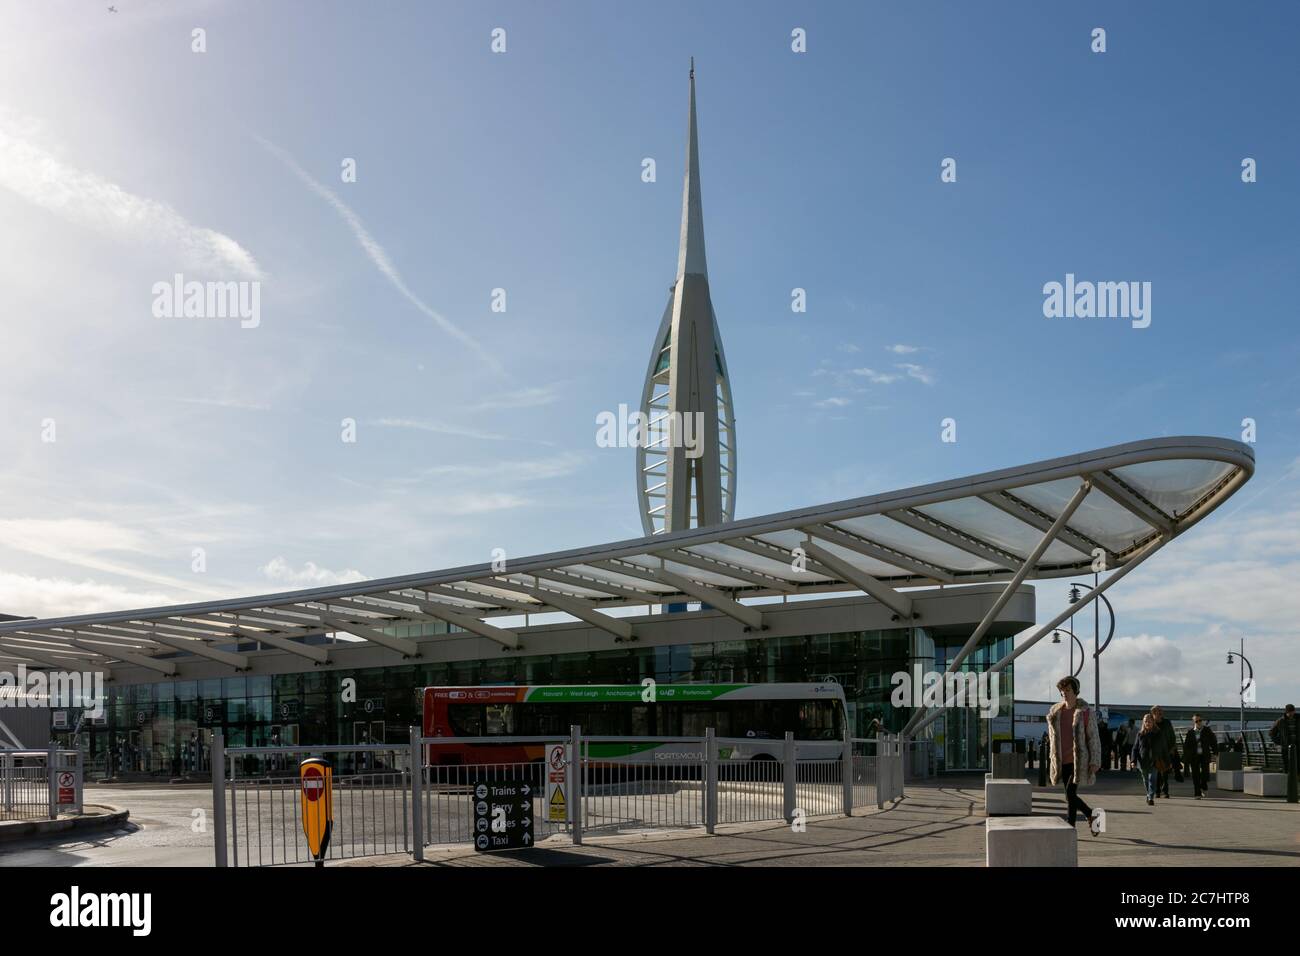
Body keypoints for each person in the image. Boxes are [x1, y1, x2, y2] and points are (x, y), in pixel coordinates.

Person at [1046, 676, 1103, 835]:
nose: (1065, 693)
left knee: (1070, 794)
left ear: (1075, 691)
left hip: (1078, 761)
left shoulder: (1085, 712)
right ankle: (1071, 829)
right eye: (1062, 691)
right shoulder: (1055, 712)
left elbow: (1093, 737)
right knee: (1070, 797)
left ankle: (1091, 815)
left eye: (1068, 690)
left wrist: (1095, 760)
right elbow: (1052, 739)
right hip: (1061, 760)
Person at [1132, 713, 1167, 806]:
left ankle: (1151, 797)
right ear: (1143, 723)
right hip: (1142, 761)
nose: (1147, 723)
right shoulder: (1140, 734)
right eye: (1146, 721)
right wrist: (1133, 760)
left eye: (1149, 721)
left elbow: (1164, 748)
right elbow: (1135, 748)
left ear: (1153, 722)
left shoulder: (1158, 733)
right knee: (1145, 780)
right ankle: (1148, 794)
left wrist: (1167, 760)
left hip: (1155, 761)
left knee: (1152, 779)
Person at [1184, 714, 1217, 799]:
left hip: (1204, 755)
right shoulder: (1190, 732)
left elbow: (1213, 742)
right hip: (1194, 756)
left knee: (1205, 773)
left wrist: (1216, 752)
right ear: (1194, 722)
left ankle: (1203, 784)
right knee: (1195, 775)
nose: (1198, 722)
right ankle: (1197, 793)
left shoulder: (1207, 730)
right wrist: (1186, 756)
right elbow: (1186, 746)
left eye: (1200, 720)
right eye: (1196, 721)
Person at [1150, 706, 1180, 797]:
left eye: (1161, 712)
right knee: (1157, 773)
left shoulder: (1167, 722)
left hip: (1166, 751)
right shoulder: (1151, 723)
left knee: (1165, 773)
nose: (1160, 714)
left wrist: (1172, 748)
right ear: (1153, 713)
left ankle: (1165, 791)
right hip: (1155, 752)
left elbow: (1172, 735)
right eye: (1158, 712)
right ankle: (1157, 791)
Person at [1269, 704, 1300, 772]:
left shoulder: (1298, 719)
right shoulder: (1280, 721)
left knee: (1298, 765)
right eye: (1289, 713)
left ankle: (1297, 780)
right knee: (1287, 765)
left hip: (1298, 746)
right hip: (1286, 746)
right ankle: (1288, 780)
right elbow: (1271, 733)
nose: (1291, 714)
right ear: (1286, 712)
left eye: (1292, 712)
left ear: (1294, 711)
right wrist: (1280, 742)